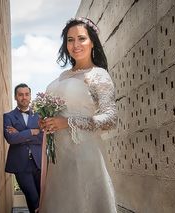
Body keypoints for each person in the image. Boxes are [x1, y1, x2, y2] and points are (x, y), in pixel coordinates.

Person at [39, 17, 117, 212]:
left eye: (81, 38)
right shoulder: (63, 76)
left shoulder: (98, 75)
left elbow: (111, 118)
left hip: (85, 157)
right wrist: (47, 122)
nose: (75, 45)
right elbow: (59, 113)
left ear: (92, 42)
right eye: (70, 39)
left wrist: (68, 122)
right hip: (58, 161)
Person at [3, 83, 43, 213]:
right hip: (20, 165)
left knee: (43, 198)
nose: (24, 97)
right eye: (20, 95)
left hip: (39, 163)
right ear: (15, 97)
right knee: (33, 199)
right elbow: (11, 139)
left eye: (26, 94)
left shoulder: (39, 115)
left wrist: (20, 134)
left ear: (30, 96)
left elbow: (43, 138)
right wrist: (32, 132)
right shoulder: (8, 117)